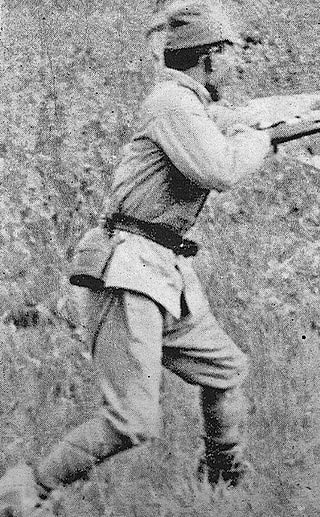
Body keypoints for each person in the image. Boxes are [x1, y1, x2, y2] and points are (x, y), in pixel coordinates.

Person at [0, 1, 280, 515]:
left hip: (162, 270)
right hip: (130, 269)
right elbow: (220, 169)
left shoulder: (192, 102)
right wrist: (261, 138)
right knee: (132, 420)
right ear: (210, 57)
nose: (239, 66)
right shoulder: (173, 103)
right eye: (234, 55)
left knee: (225, 371)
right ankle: (27, 490)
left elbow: (246, 118)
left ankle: (224, 482)